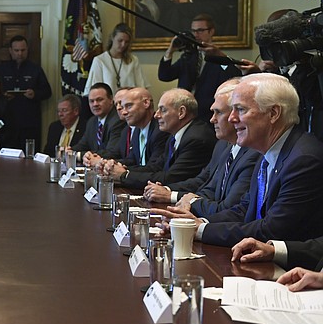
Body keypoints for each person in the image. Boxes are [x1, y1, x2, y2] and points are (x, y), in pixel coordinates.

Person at [155, 73, 323, 248]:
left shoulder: (303, 160)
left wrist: (201, 230)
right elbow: (244, 210)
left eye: (240, 109)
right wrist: (197, 223)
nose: (231, 118)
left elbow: (272, 229)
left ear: (273, 113)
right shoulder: (269, 151)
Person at [143, 79, 259, 217]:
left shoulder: (253, 153)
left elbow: (230, 208)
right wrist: (186, 198)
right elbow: (208, 185)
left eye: (219, 112)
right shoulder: (223, 145)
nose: (212, 119)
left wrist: (188, 200)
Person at [106, 88, 216, 189]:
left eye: (162, 110)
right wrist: (121, 169)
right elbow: (156, 167)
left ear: (181, 112)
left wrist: (125, 175)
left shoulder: (196, 138)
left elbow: (169, 178)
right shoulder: (174, 135)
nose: (156, 115)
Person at [158, 14, 242, 122]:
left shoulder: (219, 58)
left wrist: (219, 55)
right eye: (193, 31)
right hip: (185, 112)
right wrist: (170, 50)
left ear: (211, 32)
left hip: (208, 113)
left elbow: (233, 76)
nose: (196, 35)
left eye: (200, 30)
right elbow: (164, 75)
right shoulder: (188, 57)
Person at [0, 35, 52, 149]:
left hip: (29, 122)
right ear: (10, 51)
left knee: (29, 156)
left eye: (23, 50)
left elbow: (47, 92)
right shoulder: (1, 69)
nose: (20, 53)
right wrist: (3, 96)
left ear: (27, 50)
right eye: (16, 50)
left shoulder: (35, 69)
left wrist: (34, 94)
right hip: (7, 122)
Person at [83, 23, 148, 95]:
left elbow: (141, 88)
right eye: (120, 41)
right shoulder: (100, 60)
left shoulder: (133, 60)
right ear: (112, 38)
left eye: (126, 42)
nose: (123, 45)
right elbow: (95, 90)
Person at [71, 83, 125, 159]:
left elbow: (111, 153)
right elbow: (83, 145)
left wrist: (78, 155)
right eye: (91, 101)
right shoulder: (92, 121)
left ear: (110, 100)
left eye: (99, 100)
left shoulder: (118, 120)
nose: (95, 104)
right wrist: (70, 151)